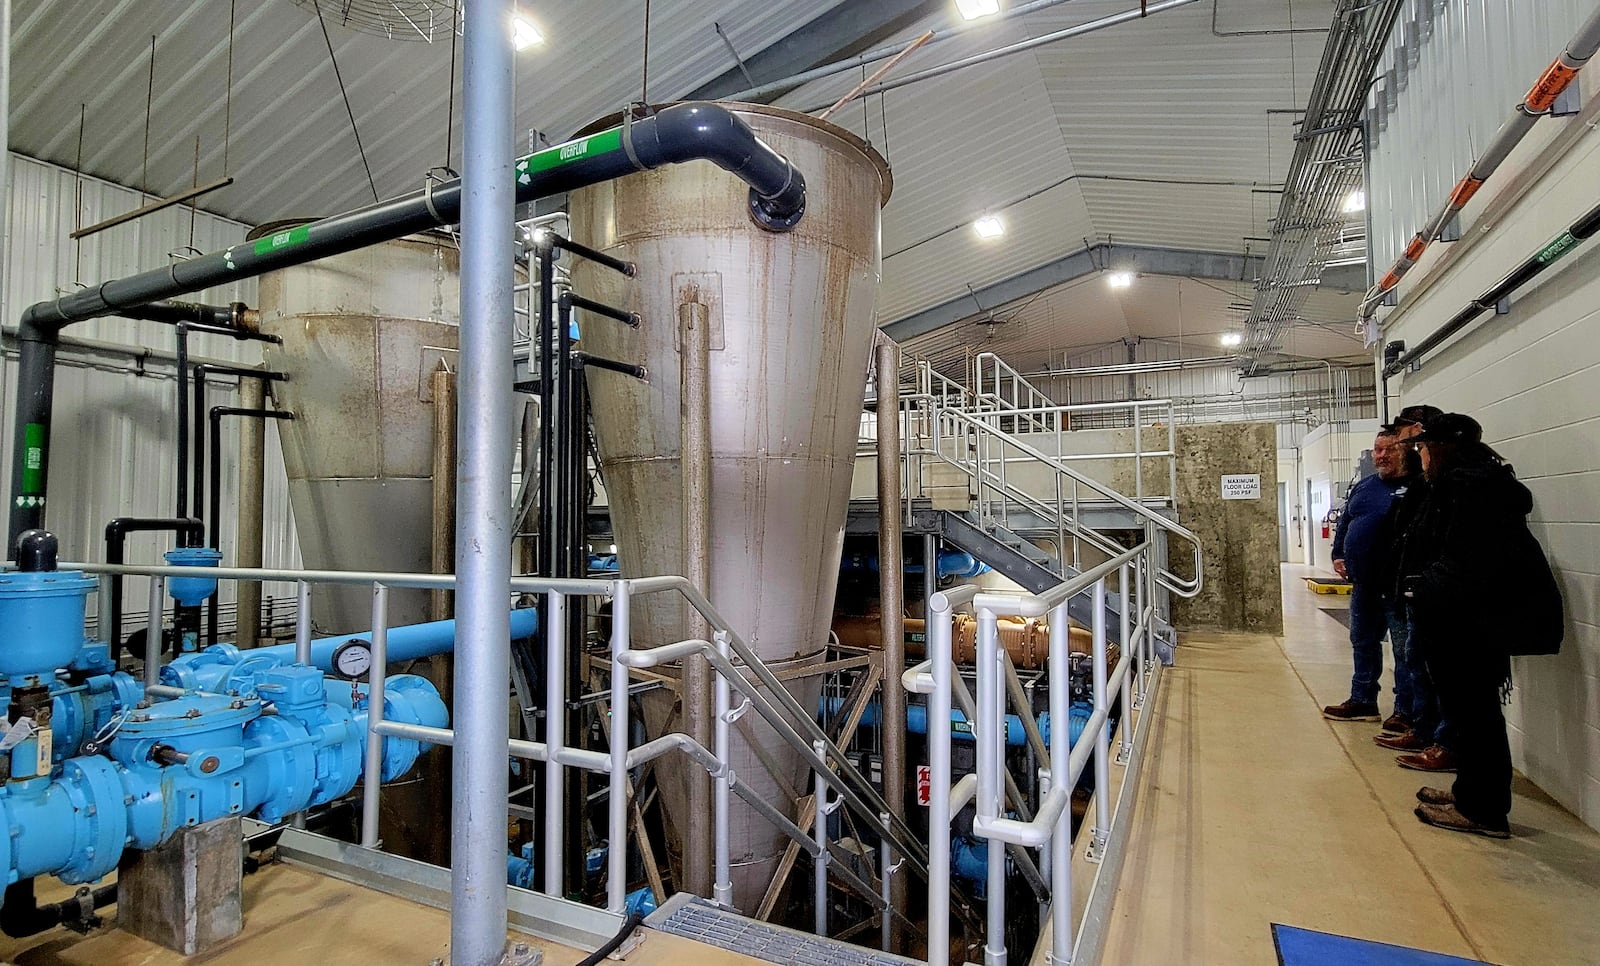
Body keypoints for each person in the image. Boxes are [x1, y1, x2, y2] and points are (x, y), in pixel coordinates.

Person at [1398, 413, 1537, 838]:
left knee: (1475, 715)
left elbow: (1465, 562)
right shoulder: (1474, 482)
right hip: (1467, 621)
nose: (1420, 456)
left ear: (1441, 448)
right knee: (1468, 714)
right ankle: (1469, 793)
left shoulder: (1469, 488)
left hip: (1467, 625)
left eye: (1423, 448)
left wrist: (1425, 590)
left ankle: (1484, 809)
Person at [1380, 405, 1456, 772]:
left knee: (1434, 669)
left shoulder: (1454, 487)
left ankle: (1441, 739)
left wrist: (1427, 584)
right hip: (1413, 590)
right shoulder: (1423, 483)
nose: (1405, 444)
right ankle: (1421, 725)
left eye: (1413, 440)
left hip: (1438, 597)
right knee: (1415, 661)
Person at [1322, 429, 1412, 724]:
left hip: (1397, 584)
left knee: (1404, 650)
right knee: (1362, 641)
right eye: (1378, 450)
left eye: (1390, 450)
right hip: (1364, 583)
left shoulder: (1416, 487)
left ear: (1405, 451)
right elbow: (1347, 521)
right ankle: (1363, 700)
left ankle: (1406, 710)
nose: (1382, 456)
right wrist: (1339, 554)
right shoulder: (1365, 487)